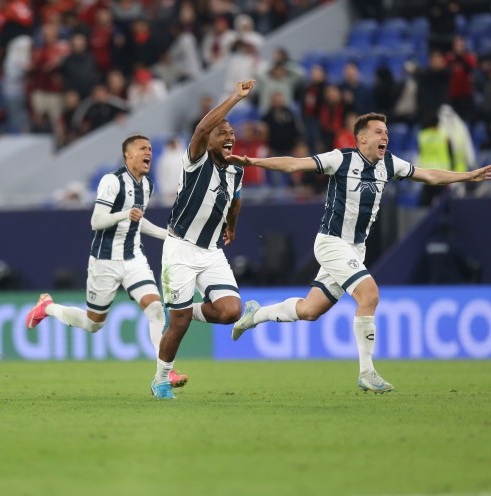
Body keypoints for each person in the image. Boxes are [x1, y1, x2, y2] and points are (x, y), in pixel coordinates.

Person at [229, 112, 491, 393]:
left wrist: (469, 175)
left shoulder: (388, 164)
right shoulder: (341, 159)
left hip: (355, 248)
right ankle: (367, 372)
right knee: (370, 294)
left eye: (387, 132)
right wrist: (253, 161)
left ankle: (255, 314)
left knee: (309, 310)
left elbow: (428, 174)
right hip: (331, 243)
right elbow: (294, 165)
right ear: (362, 137)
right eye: (379, 132)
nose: (385, 137)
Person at [26, 134, 188, 388]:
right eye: (142, 149)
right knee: (93, 324)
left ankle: (165, 373)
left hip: (134, 257)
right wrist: (125, 213)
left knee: (156, 309)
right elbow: (97, 221)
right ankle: (47, 307)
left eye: (149, 149)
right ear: (128, 155)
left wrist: (164, 235)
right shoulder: (111, 181)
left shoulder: (147, 185)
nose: (149, 153)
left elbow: (138, 219)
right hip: (105, 261)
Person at [150, 79, 256, 400]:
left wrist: (232, 226)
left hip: (211, 252)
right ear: (208, 141)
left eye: (231, 134)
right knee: (178, 325)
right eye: (221, 132)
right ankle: (160, 380)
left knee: (230, 311)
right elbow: (199, 129)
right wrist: (235, 97)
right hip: (180, 248)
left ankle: (182, 311)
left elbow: (235, 200)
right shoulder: (196, 161)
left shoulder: (236, 171)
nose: (229, 136)